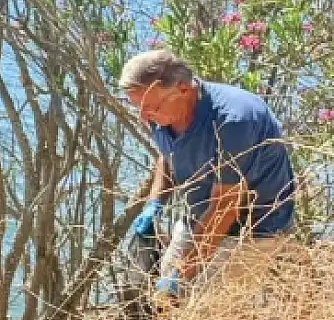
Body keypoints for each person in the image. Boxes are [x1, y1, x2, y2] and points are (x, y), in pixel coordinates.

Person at [118, 49, 297, 295]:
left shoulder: (233, 121)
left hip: (254, 231)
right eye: (138, 108)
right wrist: (154, 204)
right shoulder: (160, 114)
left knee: (206, 314)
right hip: (200, 219)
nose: (144, 116)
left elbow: (225, 208)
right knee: (164, 306)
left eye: (150, 107)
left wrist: (180, 275)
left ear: (183, 89)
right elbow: (168, 154)